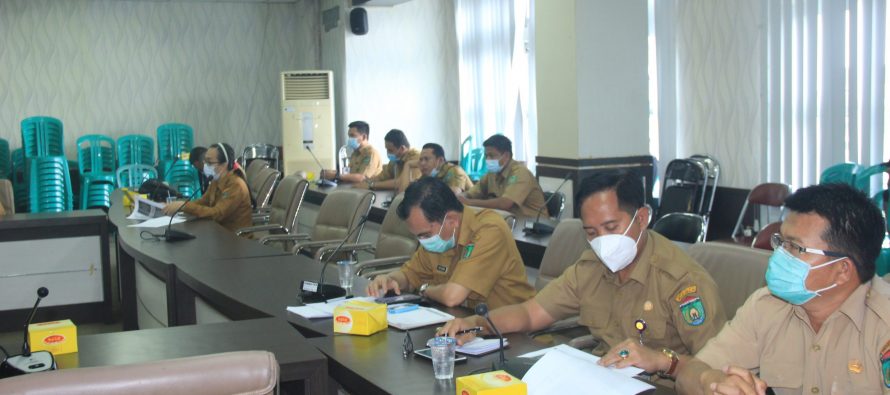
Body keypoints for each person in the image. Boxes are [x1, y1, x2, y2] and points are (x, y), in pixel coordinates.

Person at [442, 171, 725, 384]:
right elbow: (531, 314)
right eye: (591, 233)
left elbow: (717, 368)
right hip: (599, 379)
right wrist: (478, 325)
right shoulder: (591, 265)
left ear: (641, 218)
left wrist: (662, 362)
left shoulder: (681, 280)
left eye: (611, 227)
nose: (602, 241)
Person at [675, 183, 890, 395]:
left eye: (795, 247)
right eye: (780, 241)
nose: (779, 254)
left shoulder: (883, 323)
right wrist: (711, 380)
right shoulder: (766, 305)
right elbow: (690, 374)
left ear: (843, 270)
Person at [366, 177, 535, 309]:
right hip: (467, 329)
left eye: (425, 235)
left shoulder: (489, 230)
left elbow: (452, 296)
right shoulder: (441, 236)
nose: (423, 241)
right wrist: (389, 279)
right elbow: (410, 277)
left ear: (452, 220)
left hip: (516, 337)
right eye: (418, 236)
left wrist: (424, 289)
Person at [163, 143, 252, 232]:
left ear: (224, 164)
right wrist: (180, 205)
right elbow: (202, 202)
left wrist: (184, 207)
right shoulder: (216, 180)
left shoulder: (236, 185)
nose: (205, 165)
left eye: (209, 162)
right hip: (218, 233)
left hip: (236, 238)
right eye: (204, 161)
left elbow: (217, 213)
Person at [459, 135, 546, 217]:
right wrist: (460, 198)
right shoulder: (492, 173)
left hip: (533, 225)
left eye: (492, 155)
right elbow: (471, 193)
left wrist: (469, 202)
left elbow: (505, 203)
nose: (488, 159)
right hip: (508, 220)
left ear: (506, 156)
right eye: (486, 156)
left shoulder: (520, 172)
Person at [355, 129, 421, 191]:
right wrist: (366, 182)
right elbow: (382, 177)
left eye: (390, 150)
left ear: (402, 148)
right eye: (386, 149)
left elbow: (401, 182)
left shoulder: (416, 158)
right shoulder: (395, 160)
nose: (388, 153)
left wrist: (372, 185)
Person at [400, 143, 474, 194]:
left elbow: (454, 196)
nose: (422, 163)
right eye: (421, 159)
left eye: (426, 159)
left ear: (440, 160)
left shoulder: (454, 170)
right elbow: (403, 193)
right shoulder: (428, 174)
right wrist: (408, 164)